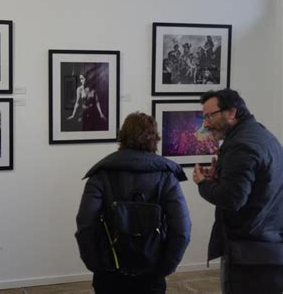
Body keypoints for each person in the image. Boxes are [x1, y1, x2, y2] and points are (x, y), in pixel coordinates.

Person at [76, 112, 191, 294]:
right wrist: (166, 266)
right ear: (155, 139)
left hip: (109, 268)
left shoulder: (101, 174)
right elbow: (182, 229)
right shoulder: (166, 176)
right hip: (152, 269)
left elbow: (85, 223)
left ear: (122, 136)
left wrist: (94, 263)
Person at [192, 89, 283, 294]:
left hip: (249, 253)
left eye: (209, 116)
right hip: (270, 246)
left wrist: (202, 183)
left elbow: (232, 199)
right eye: (203, 117)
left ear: (231, 112)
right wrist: (219, 178)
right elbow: (256, 187)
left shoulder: (241, 145)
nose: (206, 123)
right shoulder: (262, 135)